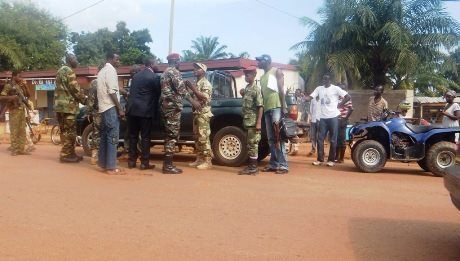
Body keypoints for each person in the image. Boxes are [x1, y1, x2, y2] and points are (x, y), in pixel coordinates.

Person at [160, 53, 200, 174]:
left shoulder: (164, 72)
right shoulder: (174, 72)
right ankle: (168, 166)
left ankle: (167, 164)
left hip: (166, 107)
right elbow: (181, 90)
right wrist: (193, 101)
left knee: (169, 135)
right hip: (173, 108)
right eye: (179, 61)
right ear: (176, 61)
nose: (180, 63)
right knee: (172, 136)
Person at [304, 75, 351, 167]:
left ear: (330, 80)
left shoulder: (335, 88)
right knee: (320, 139)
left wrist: (340, 105)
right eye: (323, 79)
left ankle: (331, 160)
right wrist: (306, 99)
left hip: (333, 117)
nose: (324, 80)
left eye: (326, 79)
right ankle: (320, 159)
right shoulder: (319, 89)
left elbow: (347, 97)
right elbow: (311, 96)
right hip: (323, 118)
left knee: (333, 139)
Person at [126, 58, 161, 170]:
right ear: (151, 64)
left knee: (133, 136)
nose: (158, 65)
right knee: (145, 137)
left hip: (132, 110)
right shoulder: (154, 77)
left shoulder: (136, 76)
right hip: (145, 111)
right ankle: (144, 163)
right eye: (156, 63)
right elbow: (157, 95)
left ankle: (131, 161)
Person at [256, 54, 288, 174]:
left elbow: (281, 89)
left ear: (266, 61)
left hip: (276, 107)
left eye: (259, 61)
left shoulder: (276, 71)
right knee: (271, 138)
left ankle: (284, 165)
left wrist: (284, 106)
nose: (257, 63)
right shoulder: (263, 76)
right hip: (267, 108)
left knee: (278, 137)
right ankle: (274, 164)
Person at [54, 54, 88, 163]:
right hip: (68, 107)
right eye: (75, 59)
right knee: (70, 131)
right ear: (70, 60)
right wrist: (85, 100)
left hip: (59, 106)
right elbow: (74, 89)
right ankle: (65, 155)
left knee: (64, 131)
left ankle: (70, 153)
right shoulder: (69, 71)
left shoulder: (60, 71)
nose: (77, 61)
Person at [97, 53, 125, 175]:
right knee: (113, 137)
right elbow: (112, 91)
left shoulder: (102, 71)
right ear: (110, 59)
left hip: (103, 108)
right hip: (111, 107)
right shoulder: (111, 70)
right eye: (117, 59)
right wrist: (120, 109)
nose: (119, 61)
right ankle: (111, 167)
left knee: (105, 136)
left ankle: (103, 163)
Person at [186, 62, 213, 170]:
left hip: (203, 113)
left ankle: (208, 160)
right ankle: (200, 158)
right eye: (194, 68)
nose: (195, 70)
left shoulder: (205, 83)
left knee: (203, 137)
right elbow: (193, 98)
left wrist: (193, 88)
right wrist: (187, 90)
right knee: (196, 137)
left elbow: (205, 97)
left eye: (198, 68)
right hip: (196, 113)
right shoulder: (197, 83)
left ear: (203, 71)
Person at [238, 66, 263, 175]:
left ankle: (253, 168)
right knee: (249, 144)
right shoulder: (247, 88)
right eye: (245, 75)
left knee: (253, 144)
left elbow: (260, 106)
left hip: (253, 122)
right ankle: (251, 166)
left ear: (254, 75)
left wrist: (258, 122)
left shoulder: (256, 89)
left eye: (247, 75)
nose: (245, 77)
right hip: (247, 121)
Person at [0, 71, 31, 156]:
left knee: (22, 130)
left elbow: (28, 95)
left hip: (21, 110)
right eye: (19, 76)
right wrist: (12, 97)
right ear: (14, 76)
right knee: (14, 130)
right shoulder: (8, 86)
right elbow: (2, 97)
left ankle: (21, 149)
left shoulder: (19, 86)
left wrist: (25, 85)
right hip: (14, 111)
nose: (21, 78)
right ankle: (14, 149)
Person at [335, 83, 353, 163]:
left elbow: (351, 109)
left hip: (342, 120)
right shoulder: (336, 98)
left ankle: (341, 158)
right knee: (336, 139)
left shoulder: (347, 98)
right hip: (336, 120)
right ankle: (336, 156)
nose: (341, 90)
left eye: (342, 89)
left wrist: (345, 119)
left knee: (342, 139)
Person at [86, 79, 101, 165]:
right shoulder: (105, 81)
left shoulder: (94, 84)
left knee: (96, 133)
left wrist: (89, 112)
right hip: (106, 111)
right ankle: (103, 157)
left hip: (97, 112)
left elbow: (91, 99)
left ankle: (94, 157)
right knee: (105, 133)